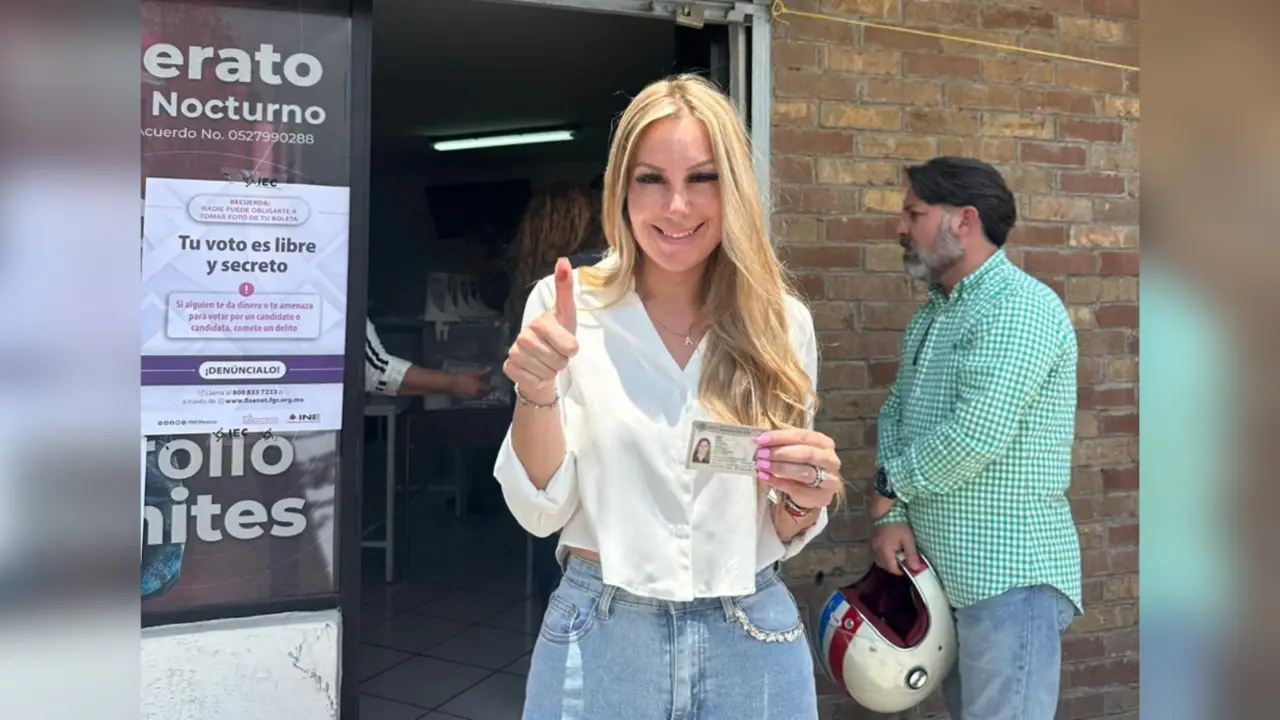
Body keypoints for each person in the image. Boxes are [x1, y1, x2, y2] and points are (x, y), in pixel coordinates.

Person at [493, 74, 840, 719]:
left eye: (702, 178)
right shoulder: (568, 308)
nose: (676, 206)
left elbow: (783, 518)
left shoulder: (781, 323)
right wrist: (536, 392)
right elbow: (542, 511)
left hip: (751, 633)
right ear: (622, 189)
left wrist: (805, 490)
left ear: (734, 187)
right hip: (602, 635)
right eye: (652, 178)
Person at [869, 156, 1082, 720]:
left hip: (1009, 579)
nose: (900, 228)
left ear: (962, 221)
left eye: (913, 213)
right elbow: (896, 414)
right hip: (948, 576)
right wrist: (891, 517)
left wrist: (891, 487)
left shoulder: (1019, 307)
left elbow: (975, 434)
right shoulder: (933, 315)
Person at [364, 317, 491, 399]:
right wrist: (451, 383)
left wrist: (449, 386)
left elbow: (379, 383)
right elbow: (376, 372)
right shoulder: (350, 312)